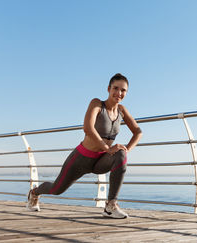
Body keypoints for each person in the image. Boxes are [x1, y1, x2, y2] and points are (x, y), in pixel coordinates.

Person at [26, 73, 142, 219]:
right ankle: (34, 193)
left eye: (123, 90)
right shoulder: (97, 104)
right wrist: (107, 148)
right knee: (57, 189)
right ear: (108, 88)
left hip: (101, 161)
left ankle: (111, 205)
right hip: (81, 159)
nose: (119, 93)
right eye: (116, 88)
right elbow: (88, 127)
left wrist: (127, 148)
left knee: (121, 154)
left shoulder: (122, 111)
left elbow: (138, 132)